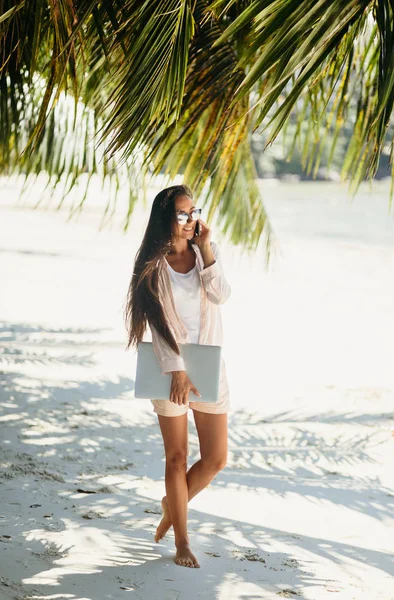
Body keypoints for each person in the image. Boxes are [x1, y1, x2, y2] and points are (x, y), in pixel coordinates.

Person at [125, 184, 231, 569]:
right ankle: (182, 541)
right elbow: (159, 324)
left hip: (208, 364)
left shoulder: (207, 254)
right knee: (176, 457)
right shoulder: (153, 265)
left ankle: (173, 503)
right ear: (166, 219)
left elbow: (221, 296)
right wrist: (178, 371)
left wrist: (206, 248)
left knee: (216, 458)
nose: (190, 220)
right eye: (182, 214)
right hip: (168, 368)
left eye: (194, 212)